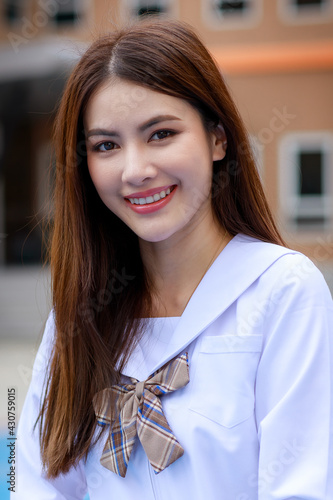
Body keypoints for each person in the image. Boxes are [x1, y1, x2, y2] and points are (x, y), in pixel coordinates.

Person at [13, 17, 333, 500]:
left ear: (218, 139)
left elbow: (300, 487)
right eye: (106, 146)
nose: (136, 170)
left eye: (161, 134)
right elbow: (37, 483)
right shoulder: (80, 310)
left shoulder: (282, 292)